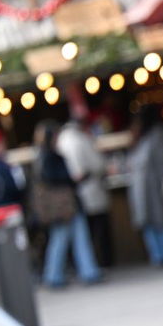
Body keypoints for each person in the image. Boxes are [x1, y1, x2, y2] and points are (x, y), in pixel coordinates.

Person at [33, 120, 103, 289]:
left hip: (64, 206)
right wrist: (74, 179)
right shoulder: (49, 156)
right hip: (64, 206)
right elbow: (53, 179)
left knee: (73, 238)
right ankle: (59, 275)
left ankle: (83, 272)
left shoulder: (44, 156)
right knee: (65, 239)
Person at [56, 107, 113, 269]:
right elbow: (97, 164)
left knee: (84, 233)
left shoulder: (61, 140)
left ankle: (89, 266)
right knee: (97, 231)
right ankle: (102, 262)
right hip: (90, 189)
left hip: (75, 192)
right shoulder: (81, 138)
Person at [126, 110, 163, 267]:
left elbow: (160, 161)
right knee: (148, 222)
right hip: (141, 189)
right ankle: (158, 255)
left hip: (153, 186)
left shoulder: (155, 136)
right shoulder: (139, 140)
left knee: (160, 221)